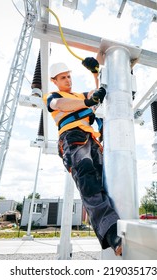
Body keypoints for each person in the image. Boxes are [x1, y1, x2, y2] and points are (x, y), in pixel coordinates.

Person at [43, 57, 122, 256]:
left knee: (109, 178)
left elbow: (97, 94)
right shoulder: (52, 95)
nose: (68, 80)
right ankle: (111, 231)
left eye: (69, 76)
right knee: (87, 176)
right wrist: (87, 101)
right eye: (63, 78)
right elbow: (61, 104)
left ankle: (123, 220)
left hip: (92, 140)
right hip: (72, 138)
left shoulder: (80, 94)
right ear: (55, 81)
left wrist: (95, 72)